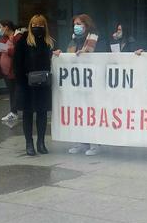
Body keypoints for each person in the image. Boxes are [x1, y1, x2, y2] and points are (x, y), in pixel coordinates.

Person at [61, 14, 102, 156]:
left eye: (79, 24)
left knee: (92, 113)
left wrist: (87, 55)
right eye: (75, 24)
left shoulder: (96, 38)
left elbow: (103, 57)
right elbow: (68, 55)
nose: (76, 27)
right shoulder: (73, 40)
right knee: (79, 112)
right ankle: (81, 142)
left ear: (87, 24)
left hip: (93, 83)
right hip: (77, 83)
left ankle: (94, 143)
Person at [15, 15, 54, 156]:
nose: (37, 27)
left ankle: (41, 142)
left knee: (42, 113)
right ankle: (29, 143)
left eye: (40, 24)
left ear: (45, 26)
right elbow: (17, 64)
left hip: (43, 84)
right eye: (34, 24)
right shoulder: (23, 41)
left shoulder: (48, 42)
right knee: (28, 114)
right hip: (27, 85)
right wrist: (20, 83)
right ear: (30, 25)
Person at [0, 20, 21, 124]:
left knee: (17, 91)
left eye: (1, 27)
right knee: (12, 92)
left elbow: (18, 52)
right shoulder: (3, 39)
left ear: (7, 27)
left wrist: (7, 50)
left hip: (15, 70)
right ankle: (13, 112)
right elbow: (1, 51)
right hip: (6, 72)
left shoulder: (17, 37)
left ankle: (16, 111)